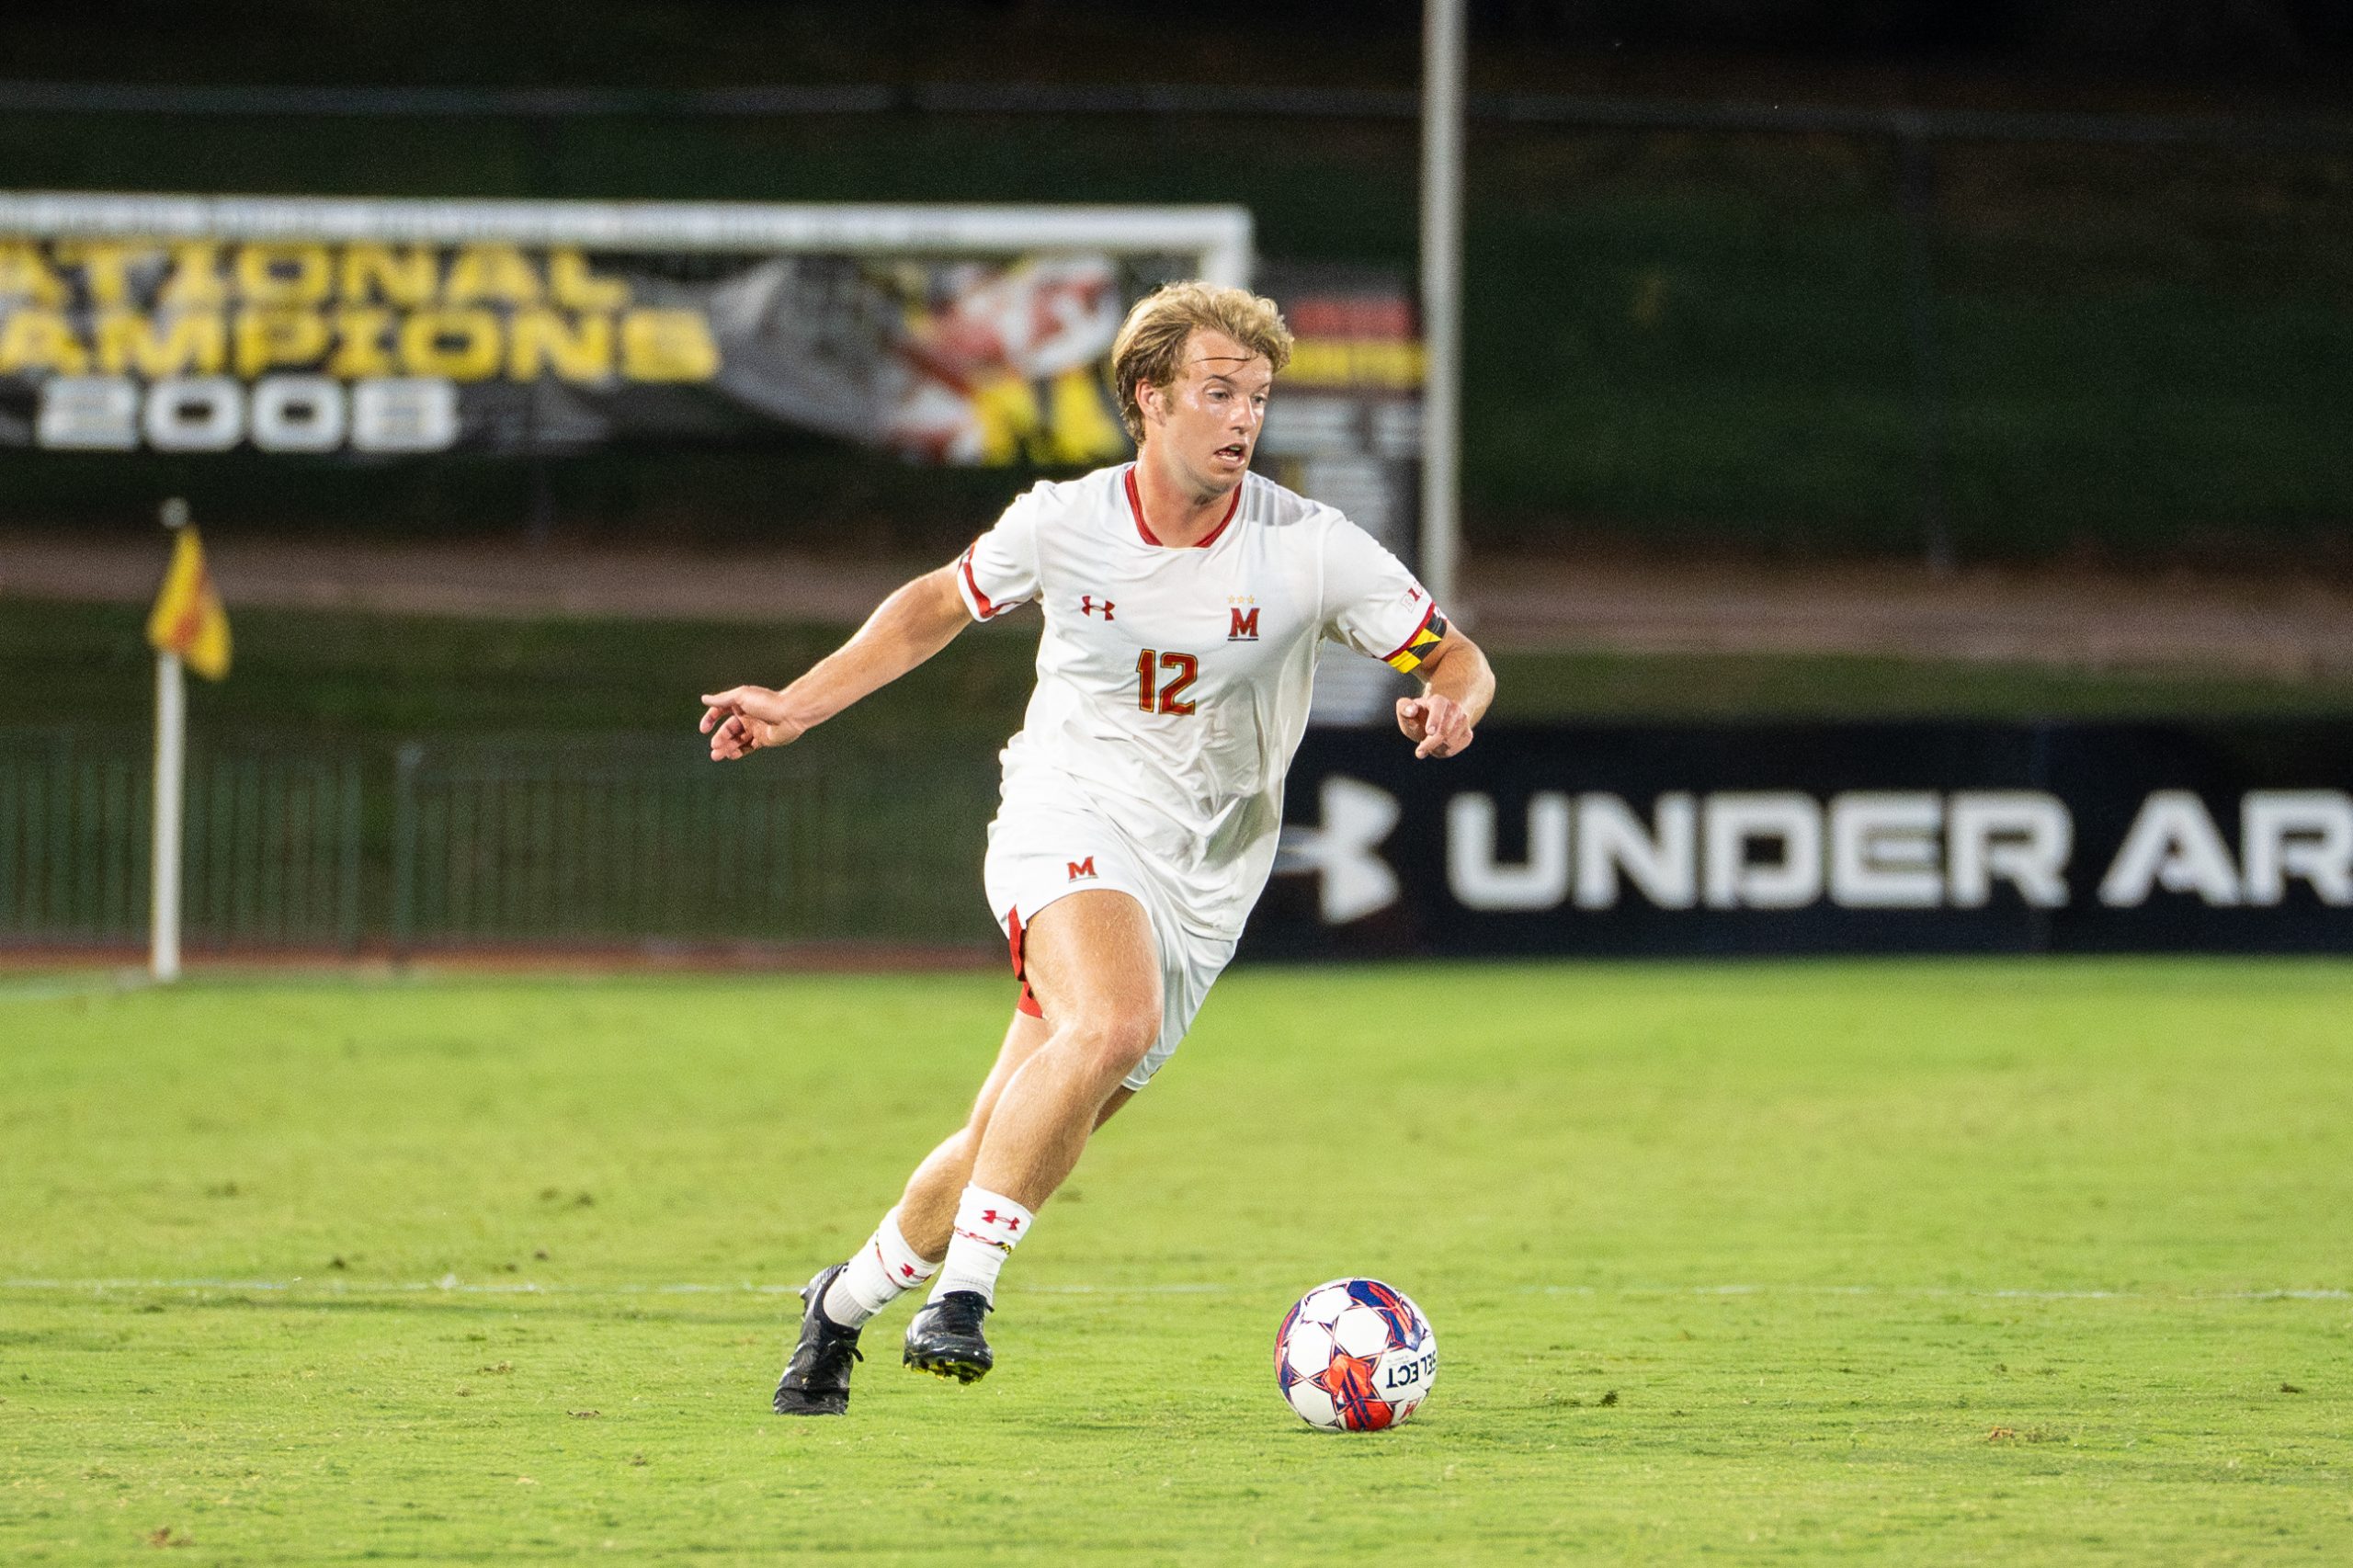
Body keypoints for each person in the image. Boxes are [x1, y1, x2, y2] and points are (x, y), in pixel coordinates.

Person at [698, 281, 1495, 1415]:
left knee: (1012, 1126)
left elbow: (1454, 653)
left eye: (1257, 398)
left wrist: (1453, 700)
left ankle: (837, 1306)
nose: (1242, 418)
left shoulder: (1308, 548)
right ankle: (962, 1296)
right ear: (1147, 397)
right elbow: (935, 603)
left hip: (1206, 876)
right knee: (1111, 1021)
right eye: (1219, 391)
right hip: (1065, 812)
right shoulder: (1064, 521)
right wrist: (798, 703)